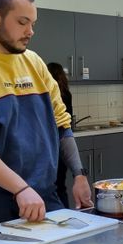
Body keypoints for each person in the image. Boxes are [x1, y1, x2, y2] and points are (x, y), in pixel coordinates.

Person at [0, 0, 93, 244]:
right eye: (22, 22)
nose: (30, 31)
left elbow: (62, 124)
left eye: (33, 23)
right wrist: (20, 188)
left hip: (43, 195)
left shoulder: (34, 63)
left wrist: (78, 174)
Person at [47, 62, 73, 208]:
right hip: (63, 145)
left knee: (53, 186)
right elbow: (68, 119)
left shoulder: (49, 93)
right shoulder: (66, 93)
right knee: (61, 186)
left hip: (53, 143)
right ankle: (65, 212)